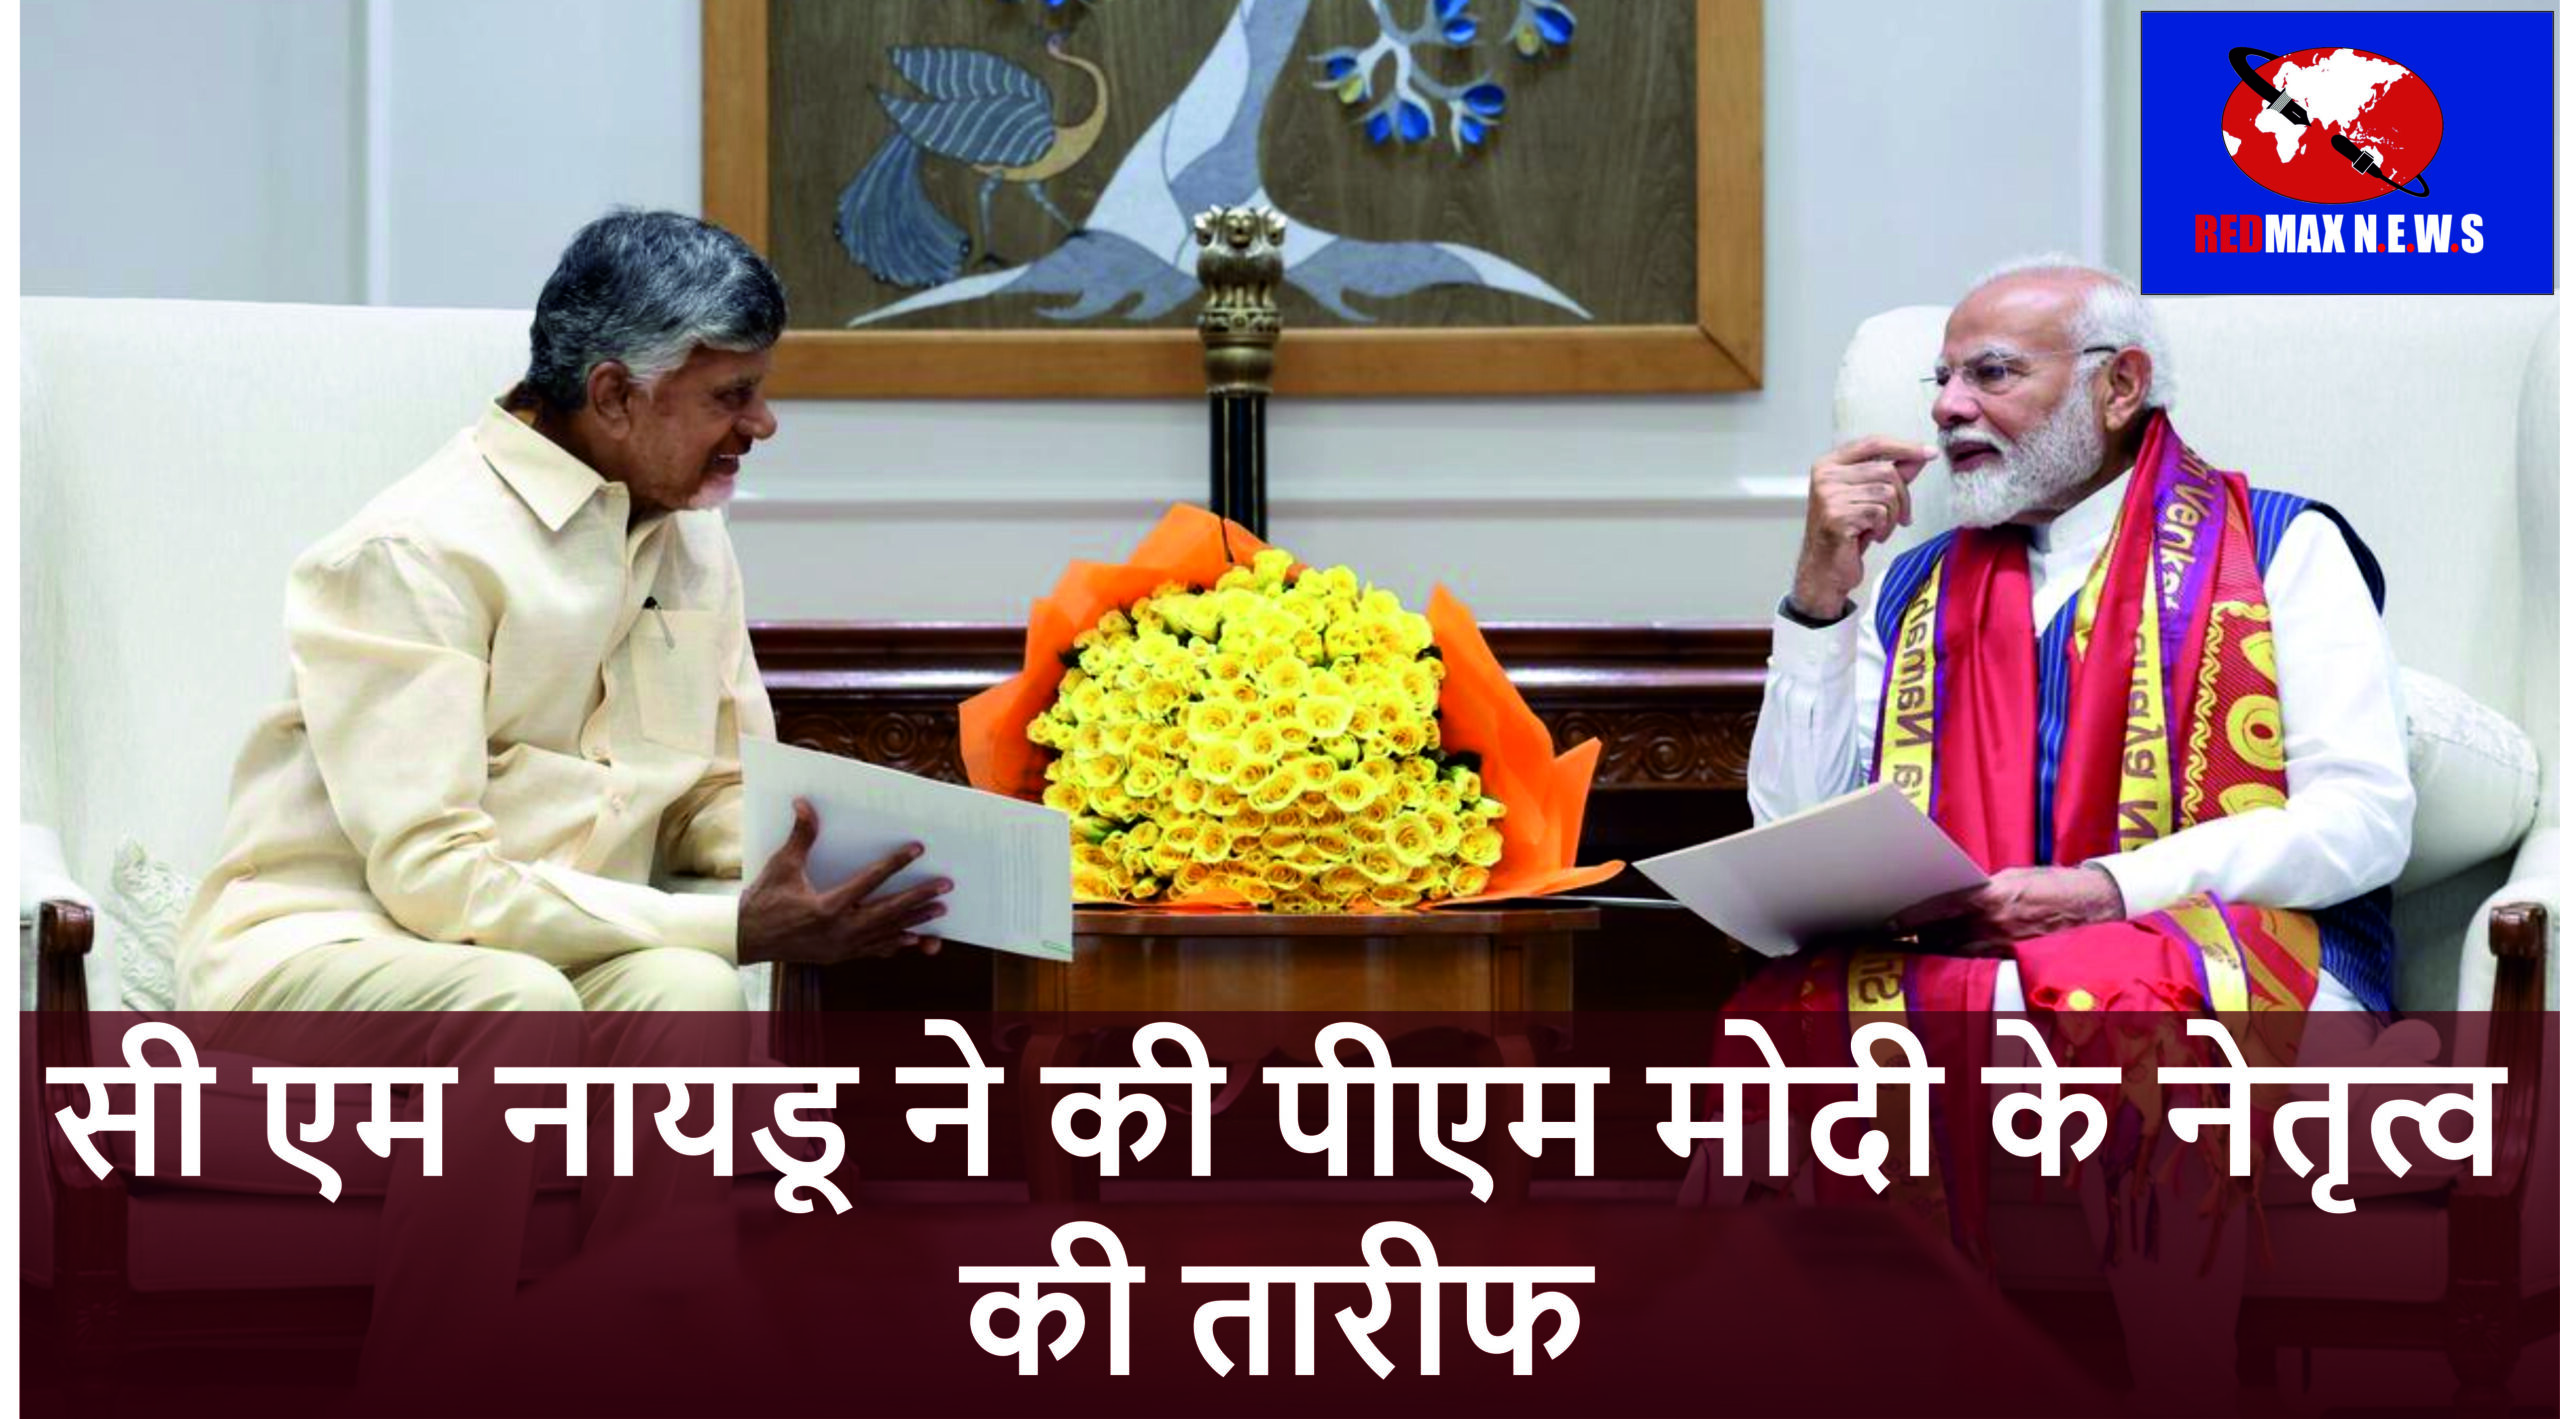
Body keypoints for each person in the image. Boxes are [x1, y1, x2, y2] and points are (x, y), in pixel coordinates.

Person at [170, 208, 947, 1384]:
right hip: (322, 953)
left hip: (551, 947)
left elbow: (706, 796)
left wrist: (857, 869)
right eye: (732, 396)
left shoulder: (691, 535)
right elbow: (436, 882)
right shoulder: (411, 554)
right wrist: (743, 925)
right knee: (514, 1002)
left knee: (688, 989)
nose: (763, 425)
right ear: (616, 395)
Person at [1728, 254, 2420, 1404]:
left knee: (2136, 1014)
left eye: (1991, 375)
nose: (1948, 408)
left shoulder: (2282, 545)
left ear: (2119, 386)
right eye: (1942, 381)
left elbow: (2363, 819)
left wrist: (2108, 890)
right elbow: (1795, 828)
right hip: (1972, 963)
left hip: (2240, 958)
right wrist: (1818, 597)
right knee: (1782, 1024)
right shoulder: (1910, 584)